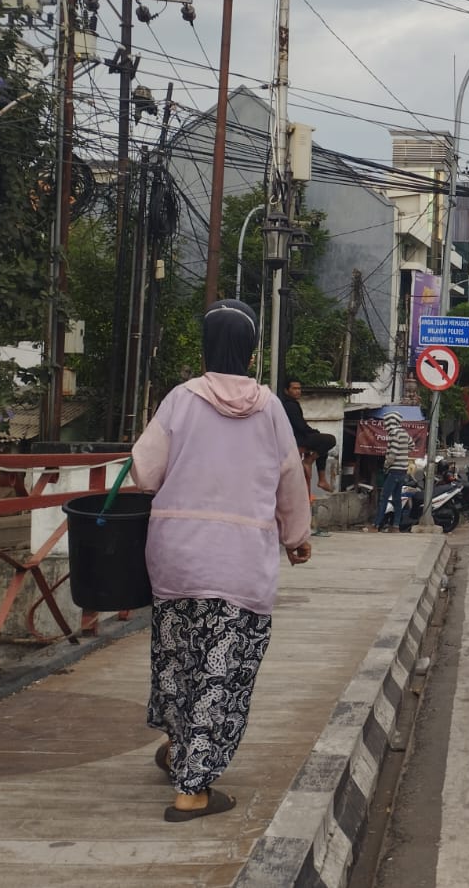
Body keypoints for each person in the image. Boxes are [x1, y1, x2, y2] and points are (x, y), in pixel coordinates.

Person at [129, 299, 311, 822]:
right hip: (240, 564)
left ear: (207, 348)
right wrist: (296, 536)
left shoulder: (179, 401)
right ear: (251, 353)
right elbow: (289, 477)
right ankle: (192, 791)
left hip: (177, 559)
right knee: (221, 675)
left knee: (180, 663)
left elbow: (143, 472)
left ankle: (178, 751)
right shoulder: (271, 407)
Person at [281, 377, 337, 493]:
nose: (298, 391)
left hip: (298, 437)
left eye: (299, 388)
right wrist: (314, 432)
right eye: (294, 388)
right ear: (286, 391)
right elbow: (300, 426)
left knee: (322, 445)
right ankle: (309, 461)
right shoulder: (289, 405)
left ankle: (321, 479)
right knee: (330, 440)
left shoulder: (291, 403)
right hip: (297, 439)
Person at [373, 412, 413, 531]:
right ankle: (396, 526)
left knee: (384, 497)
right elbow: (411, 445)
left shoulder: (394, 433)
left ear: (390, 422)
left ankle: (376, 525)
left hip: (394, 470)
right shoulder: (404, 433)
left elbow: (392, 454)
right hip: (403, 470)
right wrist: (404, 453)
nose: (385, 424)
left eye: (386, 421)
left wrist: (386, 466)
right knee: (397, 499)